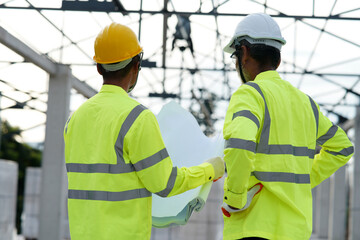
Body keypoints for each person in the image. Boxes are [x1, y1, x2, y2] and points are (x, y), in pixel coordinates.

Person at [63, 23, 225, 240]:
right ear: (136, 66)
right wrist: (209, 170)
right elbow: (165, 183)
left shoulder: (75, 119)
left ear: (99, 67)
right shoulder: (137, 118)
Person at [221, 13, 354, 240]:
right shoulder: (305, 103)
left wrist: (234, 198)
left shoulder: (250, 94)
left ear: (243, 53)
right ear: (278, 60)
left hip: (254, 228)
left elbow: (240, 144)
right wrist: (299, 178)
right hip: (296, 231)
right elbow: (343, 147)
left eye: (235, 55)